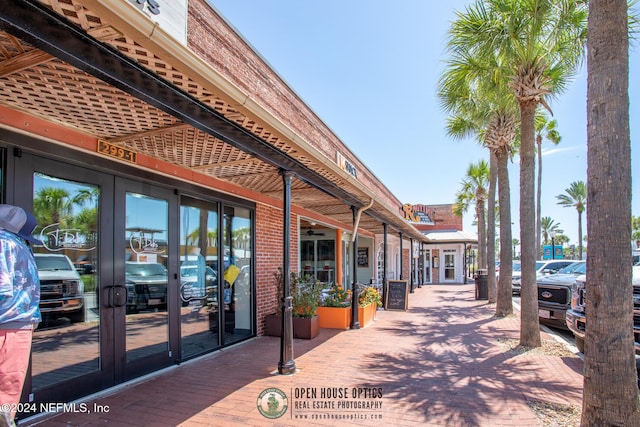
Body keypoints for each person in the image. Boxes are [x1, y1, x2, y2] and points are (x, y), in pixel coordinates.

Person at [0, 205, 42, 427]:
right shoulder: (11, 243)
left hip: (10, 324)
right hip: (12, 325)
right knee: (7, 392)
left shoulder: (6, 242)